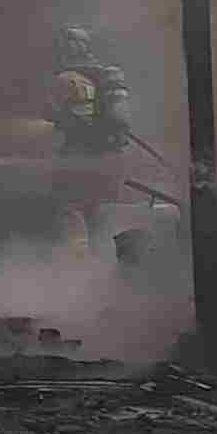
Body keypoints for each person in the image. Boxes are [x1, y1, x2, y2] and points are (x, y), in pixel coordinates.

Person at [46, 21, 134, 262]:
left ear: (69, 47)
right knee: (103, 213)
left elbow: (52, 114)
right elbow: (120, 122)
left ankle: (78, 267)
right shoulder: (106, 77)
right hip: (111, 158)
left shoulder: (64, 79)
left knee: (71, 209)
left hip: (79, 157)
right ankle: (112, 265)